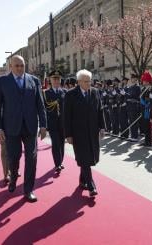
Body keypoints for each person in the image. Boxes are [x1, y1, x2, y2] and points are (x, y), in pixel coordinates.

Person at [0, 55, 47, 202]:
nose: (20, 68)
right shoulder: (2, 81)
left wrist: (43, 124)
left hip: (30, 127)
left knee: (32, 157)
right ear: (11, 66)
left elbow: (40, 104)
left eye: (22, 65)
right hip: (10, 128)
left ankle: (28, 189)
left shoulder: (34, 81)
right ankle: (13, 177)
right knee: (13, 157)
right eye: (17, 66)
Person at [64, 69, 105, 197]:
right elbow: (66, 116)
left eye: (90, 81)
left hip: (92, 132)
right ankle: (91, 186)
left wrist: (102, 127)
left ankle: (82, 180)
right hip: (78, 133)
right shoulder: (70, 95)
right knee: (85, 158)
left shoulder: (95, 92)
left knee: (88, 157)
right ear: (79, 82)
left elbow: (100, 110)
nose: (89, 84)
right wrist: (68, 134)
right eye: (86, 81)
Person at [44, 70, 66, 174]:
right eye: (54, 79)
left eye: (58, 79)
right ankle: (57, 164)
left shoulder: (65, 92)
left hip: (63, 123)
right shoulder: (46, 93)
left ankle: (61, 161)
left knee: (62, 143)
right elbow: (44, 109)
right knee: (56, 143)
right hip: (52, 123)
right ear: (50, 80)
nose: (56, 81)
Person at [126, 73, 141, 142]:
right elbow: (128, 96)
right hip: (129, 106)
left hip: (135, 106)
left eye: (133, 78)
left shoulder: (137, 87)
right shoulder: (130, 87)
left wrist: (131, 98)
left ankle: (135, 136)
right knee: (131, 121)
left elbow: (138, 97)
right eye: (131, 78)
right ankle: (132, 135)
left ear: (136, 79)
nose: (132, 79)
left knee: (134, 122)